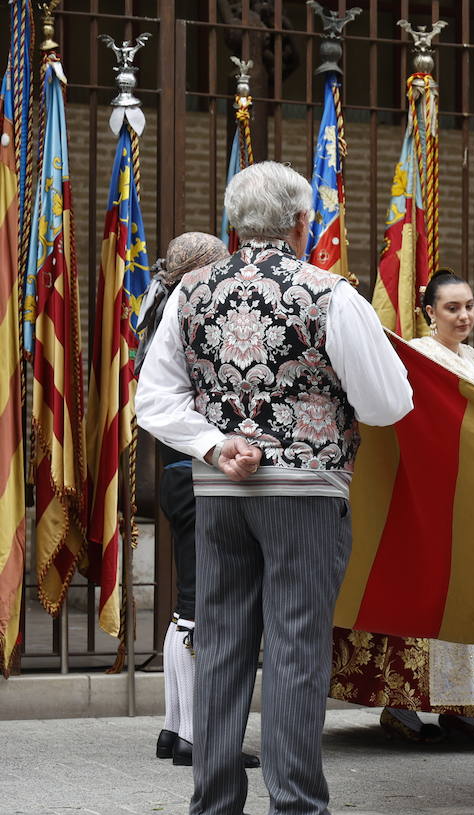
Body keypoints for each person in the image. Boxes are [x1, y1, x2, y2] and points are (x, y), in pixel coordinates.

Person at [136, 161, 413, 815]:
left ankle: (214, 813)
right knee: (295, 645)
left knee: (223, 641)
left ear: (233, 226)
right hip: (307, 491)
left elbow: (154, 401)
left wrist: (215, 442)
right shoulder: (329, 293)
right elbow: (388, 403)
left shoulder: (190, 293)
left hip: (220, 490)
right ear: (301, 223)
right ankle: (296, 813)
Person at [330, 270, 474, 740]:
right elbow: (421, 426)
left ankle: (471, 706)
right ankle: (403, 707)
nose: (464, 316)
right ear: (428, 313)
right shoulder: (420, 357)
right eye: (452, 308)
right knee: (426, 598)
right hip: (432, 502)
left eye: (470, 306)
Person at [137, 232, 260, 771]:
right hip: (197, 474)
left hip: (176, 473)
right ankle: (198, 736)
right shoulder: (191, 317)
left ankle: (174, 728)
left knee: (186, 604)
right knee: (202, 606)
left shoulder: (163, 311)